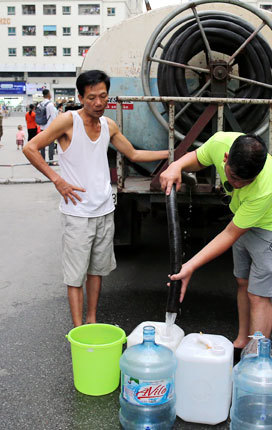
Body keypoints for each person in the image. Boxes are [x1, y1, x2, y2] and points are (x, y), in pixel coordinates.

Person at [23, 70, 168, 327]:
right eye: (91, 98)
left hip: (104, 210)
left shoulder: (108, 126)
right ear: (80, 97)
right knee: (75, 275)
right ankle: (79, 328)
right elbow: (30, 147)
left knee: (97, 270)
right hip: (77, 214)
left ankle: (92, 319)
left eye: (103, 96)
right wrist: (57, 180)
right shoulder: (68, 121)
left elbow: (133, 154)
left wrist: (172, 153)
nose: (98, 103)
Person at [160, 132, 272, 360]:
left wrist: (190, 266)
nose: (237, 185)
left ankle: (256, 359)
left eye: (246, 182)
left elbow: (229, 234)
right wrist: (176, 166)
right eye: (234, 177)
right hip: (244, 217)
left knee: (259, 294)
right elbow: (199, 157)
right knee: (242, 282)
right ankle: (242, 341)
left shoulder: (264, 188)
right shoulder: (219, 143)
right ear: (226, 157)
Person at [38, 89, 59, 161]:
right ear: (48, 94)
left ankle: (43, 160)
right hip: (50, 128)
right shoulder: (50, 105)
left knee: (42, 145)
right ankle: (51, 160)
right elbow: (54, 118)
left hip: (42, 127)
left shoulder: (40, 104)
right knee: (51, 145)